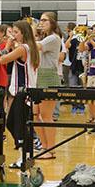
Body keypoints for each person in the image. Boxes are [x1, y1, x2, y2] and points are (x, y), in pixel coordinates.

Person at [0, 20, 39, 168]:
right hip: (25, 91)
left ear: (24, 33)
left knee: (16, 125)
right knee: (15, 124)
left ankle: (25, 155)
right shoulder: (31, 47)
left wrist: (7, 45)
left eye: (16, 32)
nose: (13, 35)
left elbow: (3, 60)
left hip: (23, 92)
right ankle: (25, 153)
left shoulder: (22, 48)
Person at [34, 12, 63, 158]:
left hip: (49, 77)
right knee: (35, 115)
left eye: (44, 20)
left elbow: (35, 47)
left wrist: (30, 32)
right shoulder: (46, 38)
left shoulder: (53, 38)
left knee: (46, 115)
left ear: (52, 22)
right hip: (40, 77)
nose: (41, 23)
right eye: (40, 20)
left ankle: (50, 149)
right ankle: (44, 146)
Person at [64, 23, 85, 114]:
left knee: (81, 88)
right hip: (73, 67)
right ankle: (74, 105)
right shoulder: (73, 41)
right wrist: (70, 36)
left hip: (82, 67)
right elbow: (66, 45)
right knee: (73, 87)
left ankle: (81, 106)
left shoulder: (84, 41)